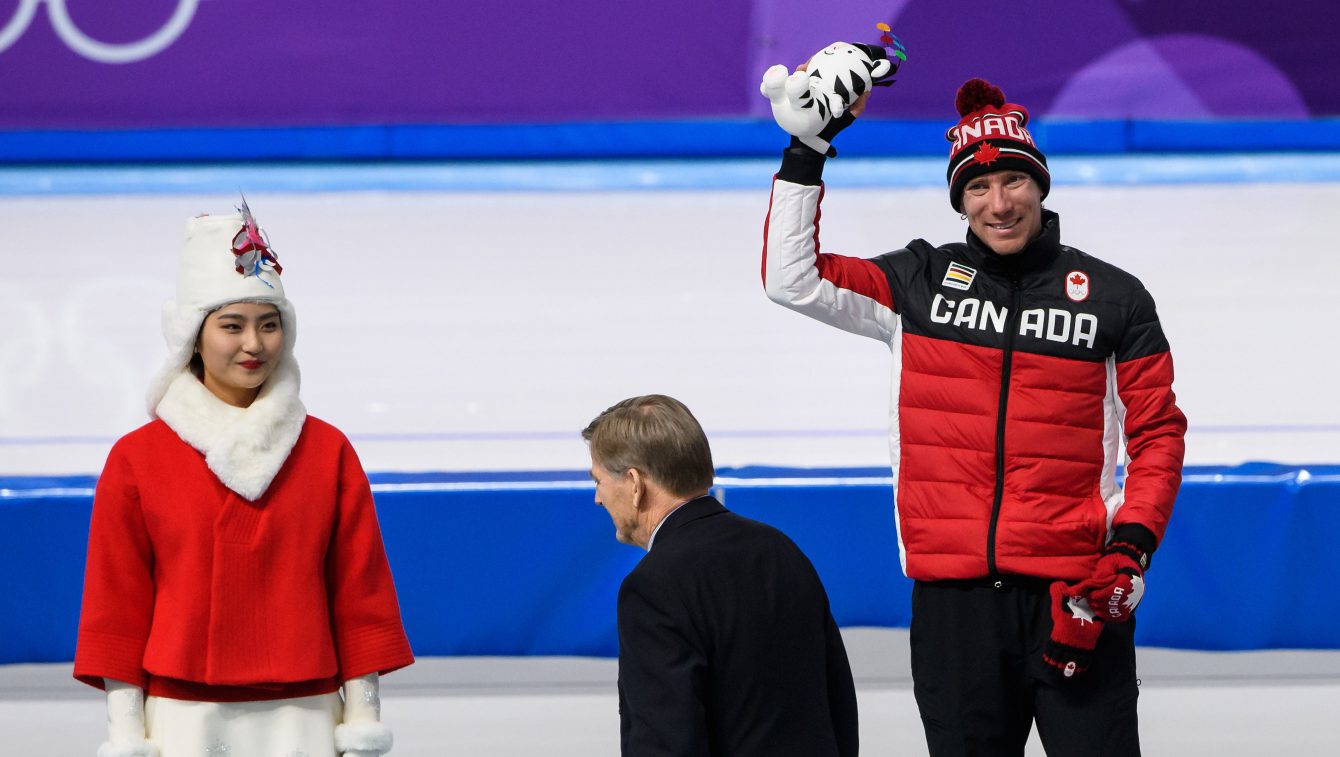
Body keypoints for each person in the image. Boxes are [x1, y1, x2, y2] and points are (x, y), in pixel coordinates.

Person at [761, 75, 1186, 755]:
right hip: (954, 606)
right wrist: (806, 149)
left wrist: (1131, 547)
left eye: (1013, 181)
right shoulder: (917, 285)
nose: (999, 204)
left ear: (1040, 185)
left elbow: (1158, 431)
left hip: (1073, 591)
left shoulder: (1115, 298)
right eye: (978, 188)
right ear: (959, 200)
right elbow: (792, 279)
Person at [74, 204, 415, 757]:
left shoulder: (327, 450)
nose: (253, 345)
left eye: (269, 324)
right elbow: (117, 604)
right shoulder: (137, 458)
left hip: (306, 712)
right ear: (193, 337)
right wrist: (127, 732)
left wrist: (362, 719)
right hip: (182, 715)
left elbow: (358, 595)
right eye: (231, 326)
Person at [582, 394, 859, 757]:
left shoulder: (652, 587)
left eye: (599, 481)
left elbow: (665, 742)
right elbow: (838, 704)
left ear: (635, 484)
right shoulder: (780, 551)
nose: (597, 499)